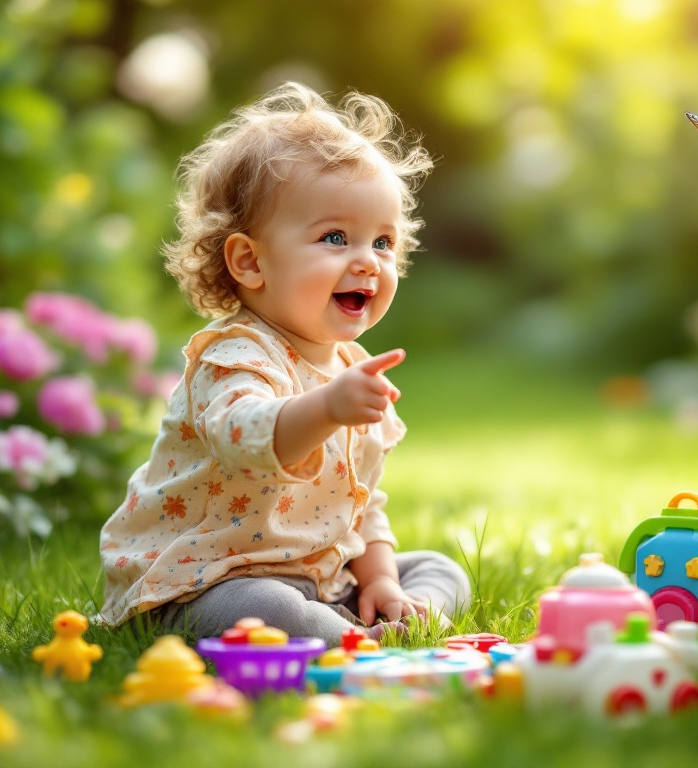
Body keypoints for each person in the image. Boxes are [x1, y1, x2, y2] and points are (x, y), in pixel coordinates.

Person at [98, 82, 471, 645]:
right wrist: (325, 407)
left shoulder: (349, 366)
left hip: (318, 576)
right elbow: (241, 436)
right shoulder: (233, 354)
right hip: (206, 583)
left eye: (384, 242)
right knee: (264, 608)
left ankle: (383, 614)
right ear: (250, 261)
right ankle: (352, 638)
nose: (368, 261)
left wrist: (384, 580)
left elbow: (359, 504)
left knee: (439, 571)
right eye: (336, 237)